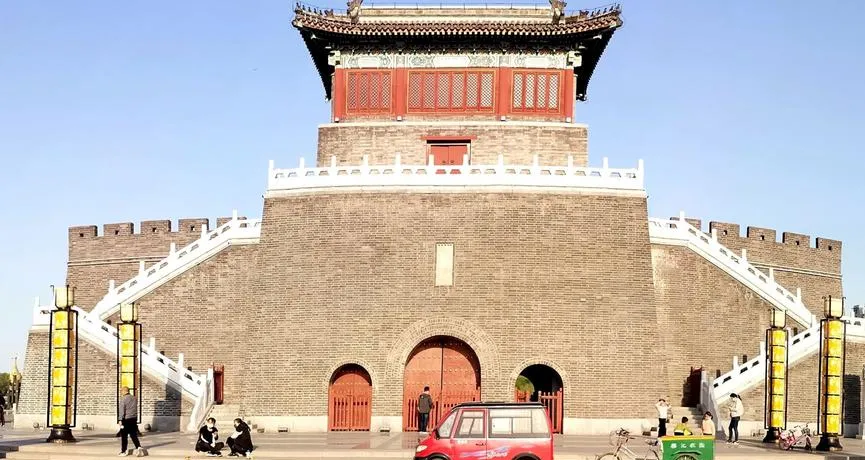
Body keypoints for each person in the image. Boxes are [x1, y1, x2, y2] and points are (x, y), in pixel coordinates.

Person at [117, 386, 143, 457]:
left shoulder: (123, 399)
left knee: (124, 436)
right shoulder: (134, 398)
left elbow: (122, 410)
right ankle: (138, 447)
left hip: (126, 419)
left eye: (121, 391)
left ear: (124, 391)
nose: (121, 392)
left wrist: (120, 419)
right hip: (133, 419)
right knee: (133, 434)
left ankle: (123, 451)